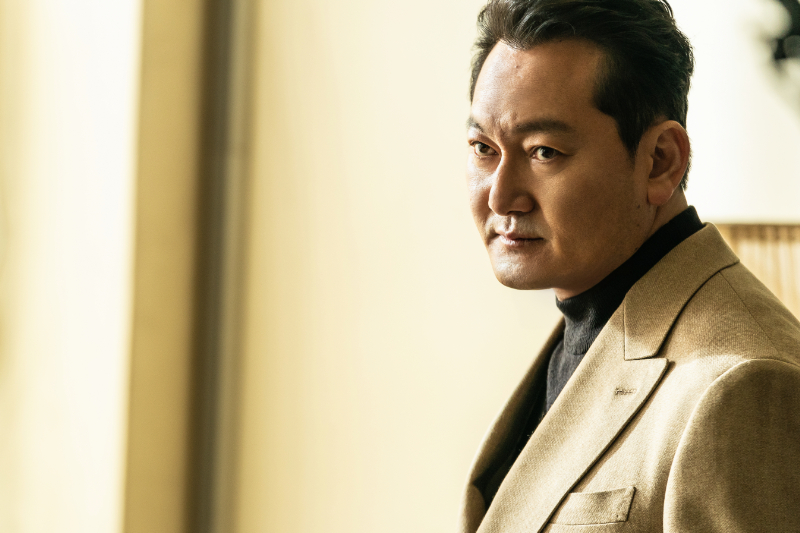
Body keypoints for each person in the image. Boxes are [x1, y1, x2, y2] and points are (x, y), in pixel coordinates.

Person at [459, 0, 800, 531]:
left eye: (544, 151)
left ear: (661, 160)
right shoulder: (584, 323)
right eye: (484, 148)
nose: (501, 197)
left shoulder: (743, 385)